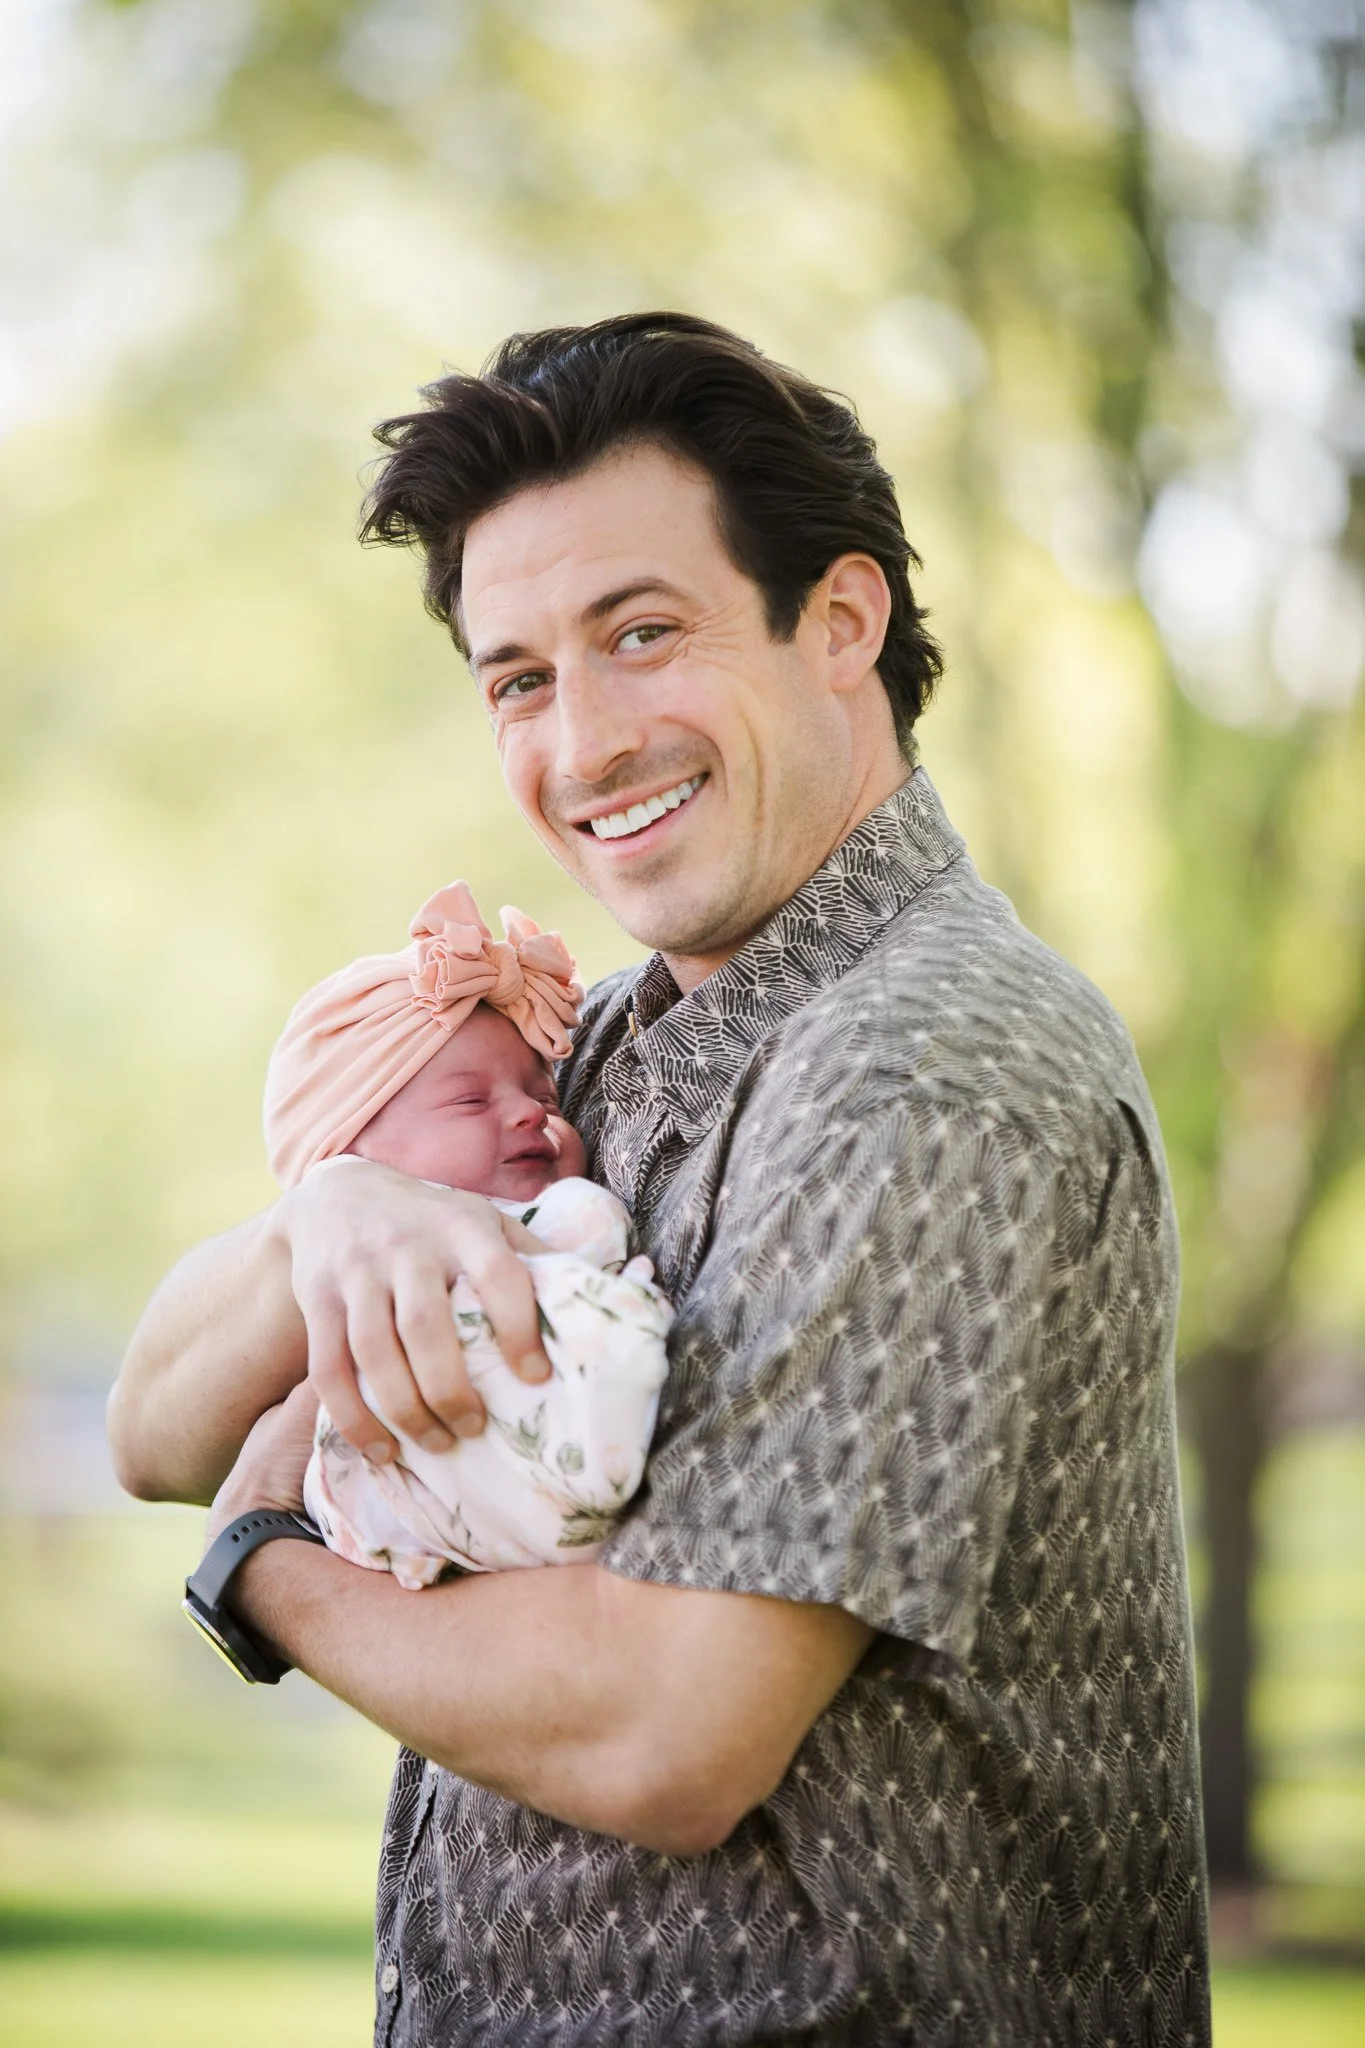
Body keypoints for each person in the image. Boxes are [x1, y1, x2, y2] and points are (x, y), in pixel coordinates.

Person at [109, 312, 1211, 2046]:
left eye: (643, 634)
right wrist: (328, 1215)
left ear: (840, 622)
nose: (589, 740)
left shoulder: (923, 1061)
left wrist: (266, 1561)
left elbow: (667, 1732)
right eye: (521, 676)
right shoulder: (592, 1052)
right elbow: (153, 1426)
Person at [265, 878, 672, 1585]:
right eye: (468, 1100)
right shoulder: (334, 1278)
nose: (529, 1116)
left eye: (544, 1095)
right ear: (354, 1158)